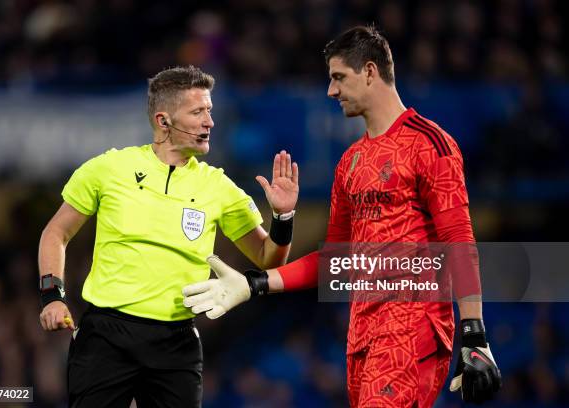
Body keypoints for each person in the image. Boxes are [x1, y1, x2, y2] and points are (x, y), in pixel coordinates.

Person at [182, 26, 501, 407]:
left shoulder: (429, 143)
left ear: (369, 71)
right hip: (361, 335)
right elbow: (335, 260)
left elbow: (459, 240)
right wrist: (256, 284)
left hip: (411, 329)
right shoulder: (351, 162)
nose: (331, 91)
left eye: (338, 77)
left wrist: (474, 333)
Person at [37, 65, 299, 407]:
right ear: (164, 121)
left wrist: (283, 215)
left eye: (210, 111)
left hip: (176, 342)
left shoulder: (218, 187)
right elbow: (56, 231)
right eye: (198, 112)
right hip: (106, 335)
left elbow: (269, 258)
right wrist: (52, 296)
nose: (210, 122)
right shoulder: (108, 169)